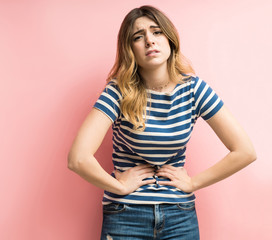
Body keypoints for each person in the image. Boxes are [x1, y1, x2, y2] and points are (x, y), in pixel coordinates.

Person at [68, 5, 256, 240]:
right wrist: (119, 186)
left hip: (179, 215)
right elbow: (78, 158)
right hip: (126, 215)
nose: (149, 41)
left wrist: (194, 182)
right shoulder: (118, 92)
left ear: (170, 39)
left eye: (156, 32)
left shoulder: (194, 90)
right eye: (138, 36)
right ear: (130, 49)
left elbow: (245, 151)